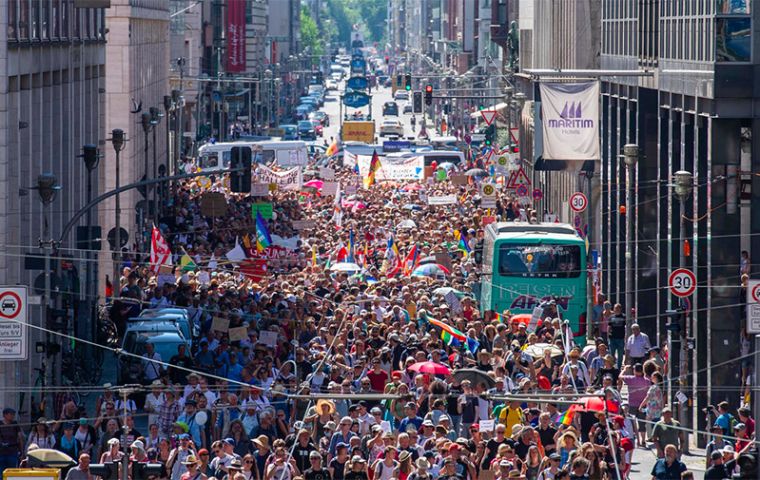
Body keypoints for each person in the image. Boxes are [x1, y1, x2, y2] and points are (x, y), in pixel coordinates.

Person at [0, 408, 23, 475]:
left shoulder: (15, 424)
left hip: (12, 452)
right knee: (1, 474)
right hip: (1, 452)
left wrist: (22, 452)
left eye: (13, 414)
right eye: (11, 414)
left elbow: (20, 438)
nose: (13, 416)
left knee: (12, 473)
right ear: (5, 415)